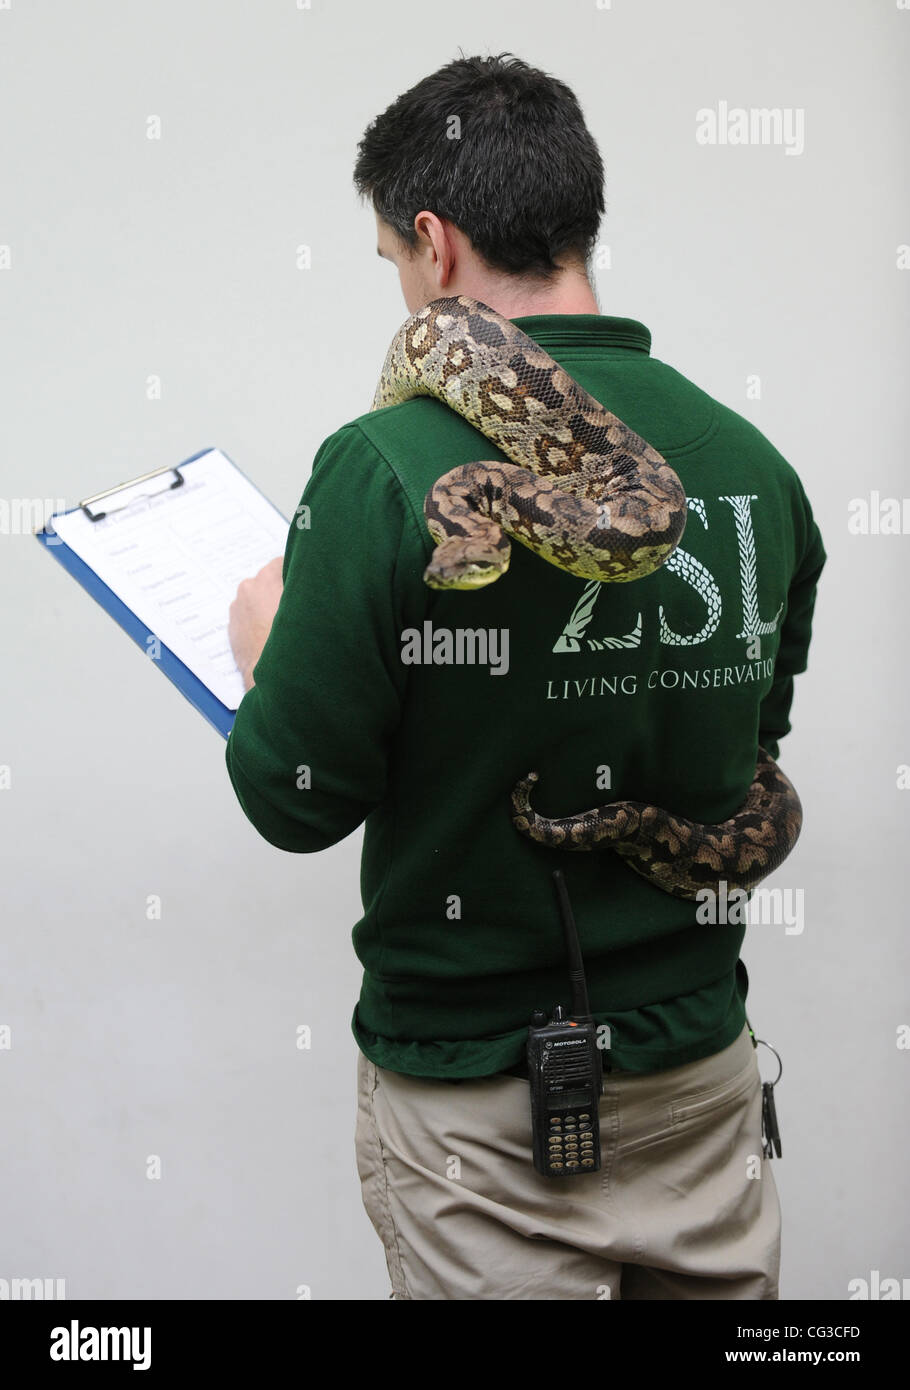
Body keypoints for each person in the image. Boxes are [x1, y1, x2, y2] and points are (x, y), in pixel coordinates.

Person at [224, 53, 826, 1301]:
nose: (401, 289)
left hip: (479, 1111)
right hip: (702, 1076)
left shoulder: (378, 466)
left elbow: (295, 799)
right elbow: (750, 750)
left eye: (391, 260)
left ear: (433, 243)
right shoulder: (753, 461)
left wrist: (270, 651)